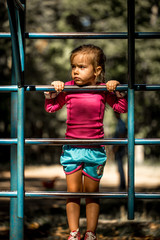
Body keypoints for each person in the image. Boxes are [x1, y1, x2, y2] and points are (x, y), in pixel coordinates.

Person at [44, 44, 128, 240]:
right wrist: (53, 92)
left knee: (92, 193)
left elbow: (121, 108)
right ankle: (74, 232)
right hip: (72, 148)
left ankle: (91, 232)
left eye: (82, 67)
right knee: (72, 192)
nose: (76, 71)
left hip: (95, 149)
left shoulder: (101, 89)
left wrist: (117, 90)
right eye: (73, 66)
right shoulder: (68, 88)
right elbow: (51, 108)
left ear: (97, 71)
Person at [113, 112, 127, 191]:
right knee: (119, 167)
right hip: (119, 148)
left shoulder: (120, 123)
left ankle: (122, 185)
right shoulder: (119, 123)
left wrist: (116, 147)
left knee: (120, 167)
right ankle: (122, 184)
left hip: (120, 149)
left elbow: (122, 134)